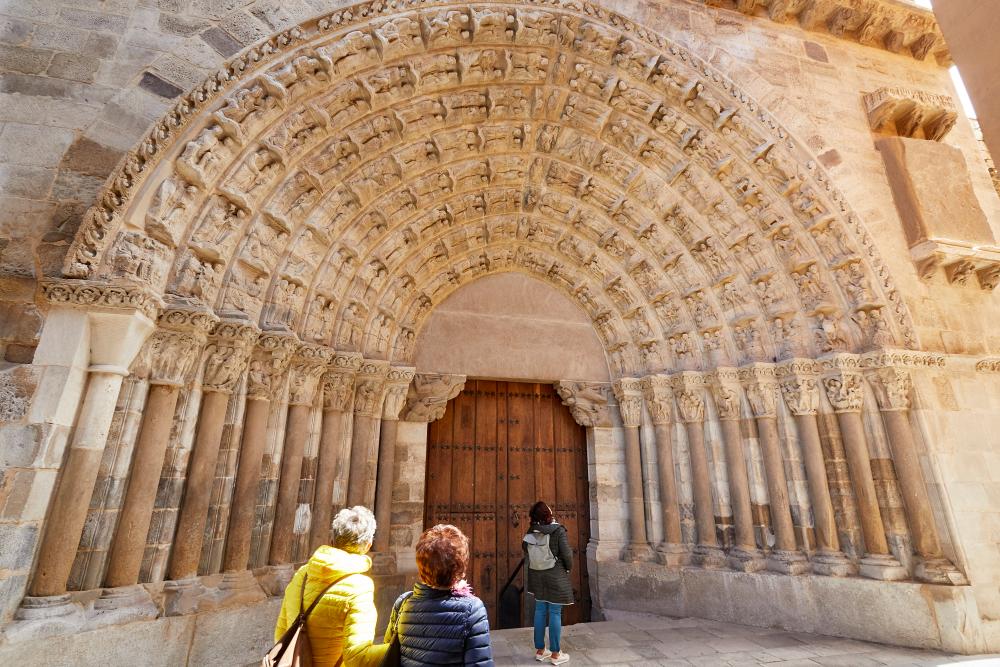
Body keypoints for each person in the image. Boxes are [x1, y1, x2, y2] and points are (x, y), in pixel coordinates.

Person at [274, 506, 385, 666]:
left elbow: (281, 633)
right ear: (368, 545)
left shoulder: (303, 574)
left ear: (332, 540)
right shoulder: (359, 587)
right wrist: (396, 646)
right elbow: (357, 656)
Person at [385, 524, 494, 666]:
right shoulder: (472, 609)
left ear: (420, 566)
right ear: (460, 568)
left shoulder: (403, 603)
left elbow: (389, 651)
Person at [523, 501, 573, 665]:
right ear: (547, 514)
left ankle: (540, 651)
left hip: (537, 575)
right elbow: (567, 554)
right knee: (555, 612)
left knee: (540, 610)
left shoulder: (532, 531)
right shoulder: (558, 530)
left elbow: (525, 548)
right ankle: (556, 654)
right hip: (554, 575)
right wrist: (567, 568)